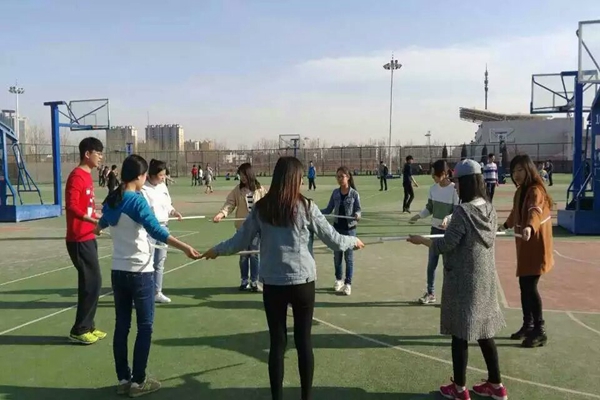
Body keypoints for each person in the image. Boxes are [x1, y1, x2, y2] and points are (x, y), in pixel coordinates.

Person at [200, 156, 365, 400]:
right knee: (303, 342)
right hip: (302, 284)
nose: (302, 181)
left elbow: (239, 241)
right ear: (295, 179)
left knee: (277, 343)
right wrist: (353, 241)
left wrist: (217, 250)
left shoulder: (262, 208)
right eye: (300, 178)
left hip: (274, 284)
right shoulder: (306, 207)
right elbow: (335, 241)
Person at [95, 154, 200, 397]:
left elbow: (99, 226)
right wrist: (184, 247)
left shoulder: (112, 200)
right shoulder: (136, 201)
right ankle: (138, 381)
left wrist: (98, 228)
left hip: (118, 272)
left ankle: (123, 379)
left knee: (122, 326)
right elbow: (156, 230)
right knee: (145, 326)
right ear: (140, 176)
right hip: (140, 273)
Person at [407, 159, 508, 400]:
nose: (456, 187)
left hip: (463, 281)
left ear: (466, 183)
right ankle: (496, 385)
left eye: (458, 183)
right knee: (485, 333)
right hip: (485, 280)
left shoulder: (463, 212)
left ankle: (460, 389)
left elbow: (446, 244)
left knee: (459, 334)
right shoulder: (490, 208)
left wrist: (422, 241)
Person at [500, 154, 553, 348]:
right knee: (524, 285)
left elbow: (535, 211)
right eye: (514, 171)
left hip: (536, 247)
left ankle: (540, 330)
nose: (517, 174)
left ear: (529, 170)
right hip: (524, 247)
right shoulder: (520, 191)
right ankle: (528, 325)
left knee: (530, 287)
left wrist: (530, 227)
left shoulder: (536, 190)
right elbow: (516, 212)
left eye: (520, 170)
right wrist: (505, 225)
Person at [65, 137, 106, 345]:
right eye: (98, 153)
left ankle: (88, 326)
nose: (101, 157)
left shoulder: (88, 176)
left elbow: (87, 207)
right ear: (87, 154)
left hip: (88, 236)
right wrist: (90, 220)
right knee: (92, 282)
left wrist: (98, 218)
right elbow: (72, 206)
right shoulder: (76, 176)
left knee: (93, 282)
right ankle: (80, 329)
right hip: (78, 239)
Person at [409, 159, 459, 304]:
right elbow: (429, 208)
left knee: (449, 265)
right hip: (434, 230)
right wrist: (418, 216)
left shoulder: (454, 189)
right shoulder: (433, 189)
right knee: (431, 264)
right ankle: (430, 293)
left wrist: (447, 219)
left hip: (449, 232)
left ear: (443, 173)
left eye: (434, 175)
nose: (433, 177)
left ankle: (451, 296)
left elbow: (457, 211)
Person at [213, 162, 268, 292]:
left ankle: (254, 281)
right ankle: (244, 281)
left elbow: (268, 205)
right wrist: (221, 214)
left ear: (250, 174)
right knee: (243, 255)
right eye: (240, 175)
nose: (242, 177)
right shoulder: (237, 190)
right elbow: (229, 204)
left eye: (244, 174)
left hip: (256, 229)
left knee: (254, 254)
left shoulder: (260, 189)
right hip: (242, 229)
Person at [141, 159, 183, 304]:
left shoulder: (163, 186)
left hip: (163, 227)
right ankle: (144, 293)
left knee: (160, 262)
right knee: (147, 261)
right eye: (161, 175)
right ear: (152, 175)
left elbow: (167, 204)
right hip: (149, 229)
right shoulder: (143, 188)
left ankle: (157, 292)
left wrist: (174, 212)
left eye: (164, 175)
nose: (163, 178)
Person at [320, 166, 362, 295]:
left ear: (348, 177)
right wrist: (315, 212)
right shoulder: (335, 193)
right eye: (337, 177)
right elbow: (328, 209)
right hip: (337, 230)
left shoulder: (354, 194)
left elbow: (358, 209)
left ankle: (348, 283)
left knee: (348, 258)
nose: (339, 179)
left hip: (350, 230)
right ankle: (339, 280)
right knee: (337, 257)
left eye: (342, 176)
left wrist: (357, 215)